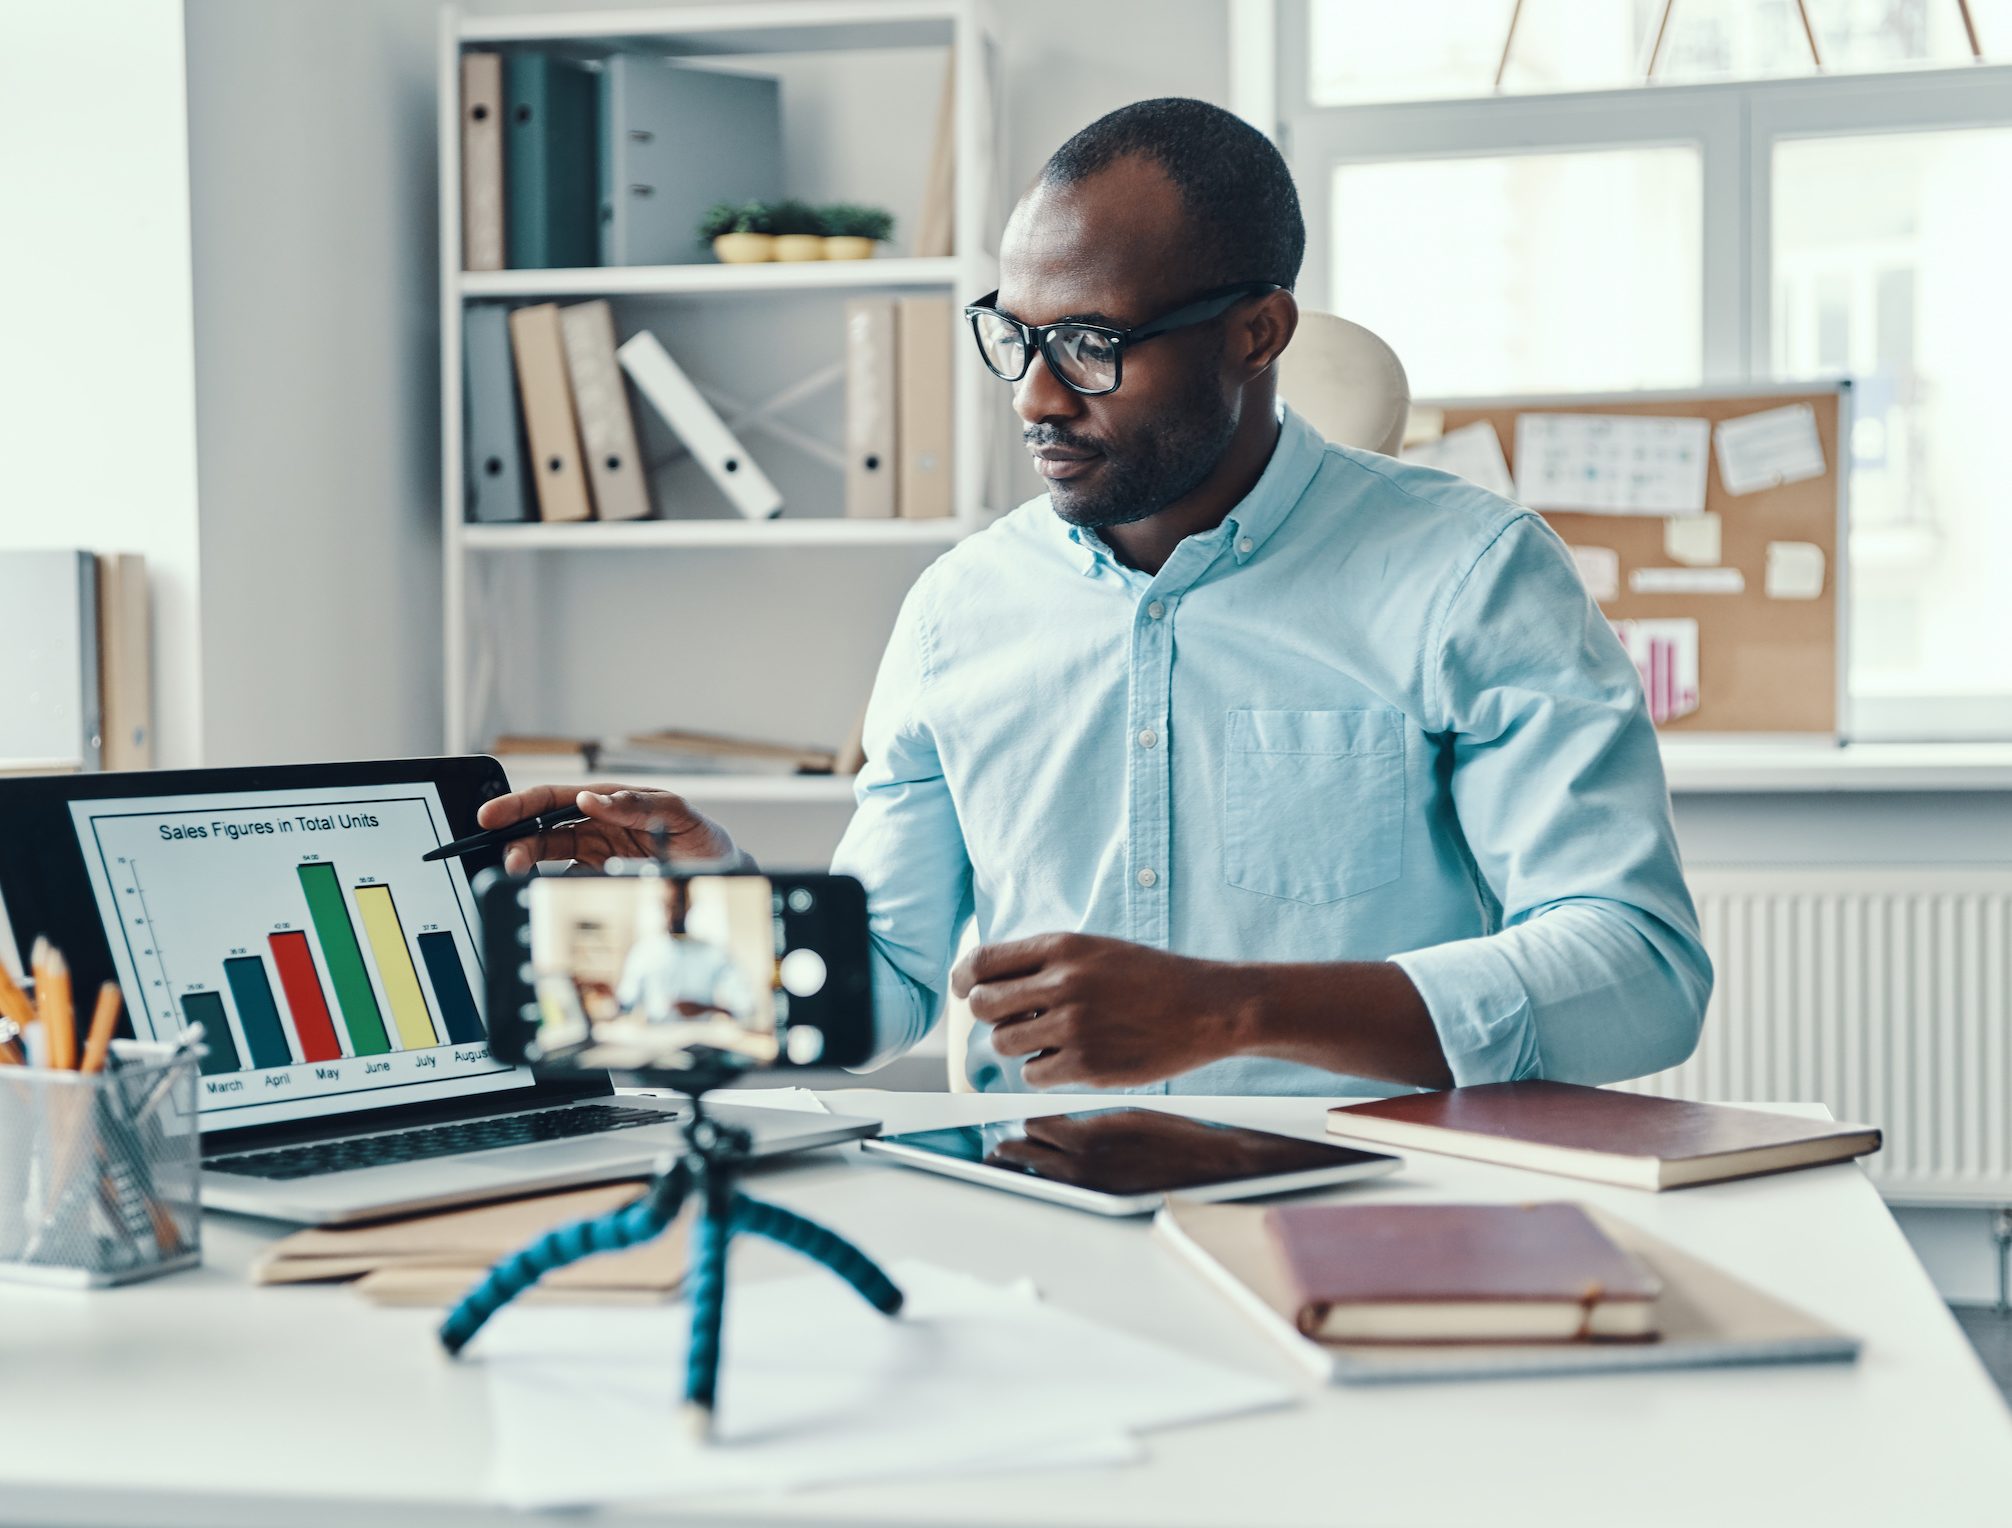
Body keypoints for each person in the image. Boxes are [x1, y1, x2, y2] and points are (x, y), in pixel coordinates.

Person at [474, 98, 1711, 1099]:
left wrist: (1229, 1010)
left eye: (1091, 344)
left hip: (1363, 1219)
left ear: (1257, 332)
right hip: (1044, 1222)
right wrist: (715, 894)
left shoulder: (1471, 574)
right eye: (1014, 336)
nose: (1035, 398)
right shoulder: (960, 609)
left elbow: (1638, 970)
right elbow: (891, 987)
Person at [613, 879, 757, 1026]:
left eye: (680, 905)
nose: (674, 913)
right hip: (655, 1040)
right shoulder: (643, 952)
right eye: (669, 906)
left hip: (702, 1041)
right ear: (661, 906)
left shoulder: (714, 953)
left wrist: (706, 1008)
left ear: (690, 906)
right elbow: (625, 1003)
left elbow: (746, 1008)